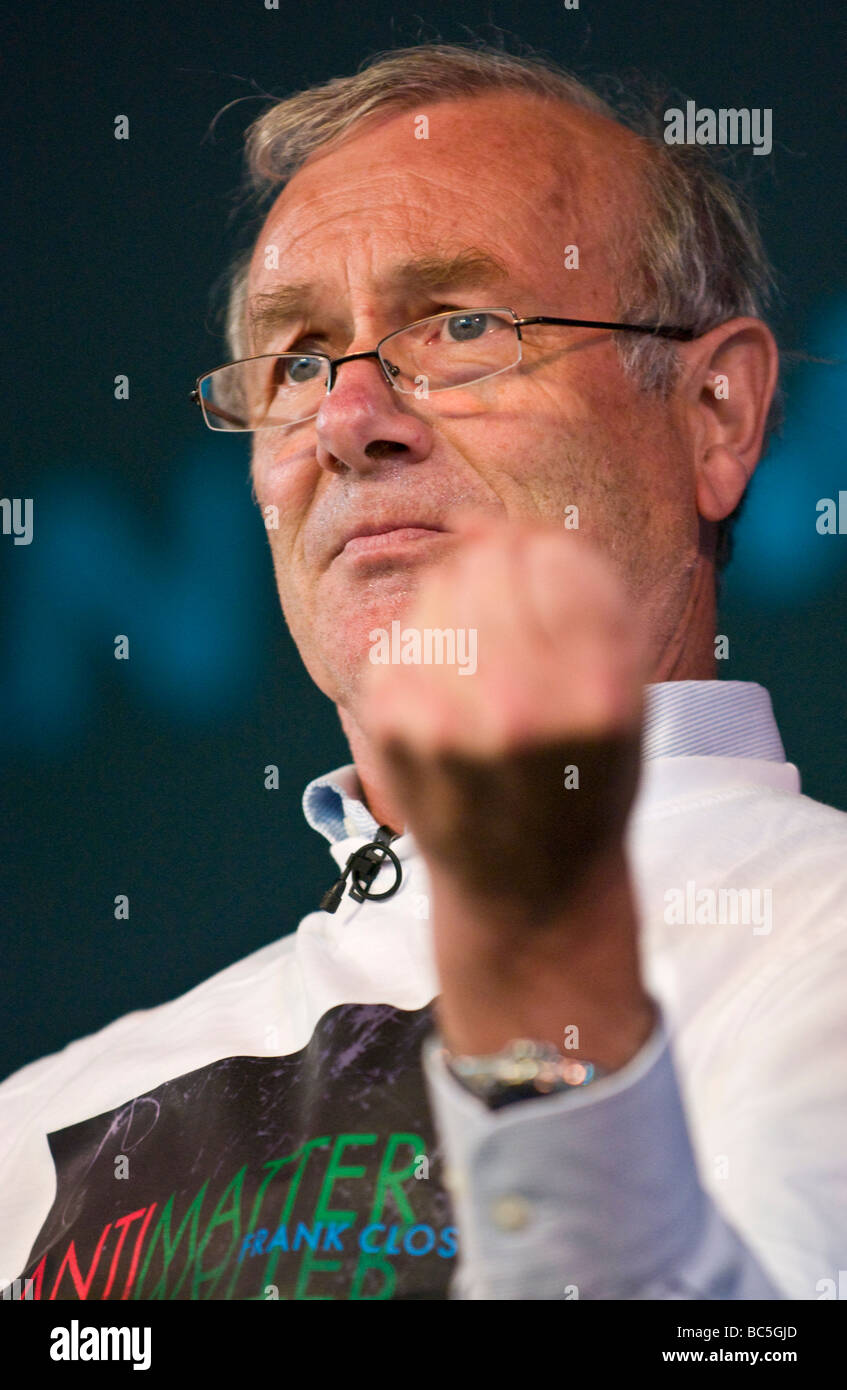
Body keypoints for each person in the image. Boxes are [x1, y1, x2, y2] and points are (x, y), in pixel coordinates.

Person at [2, 42, 846, 1304]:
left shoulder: (817, 943)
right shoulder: (39, 1119)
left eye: (460, 324)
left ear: (714, 414)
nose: (348, 418)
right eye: (296, 358)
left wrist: (540, 978)